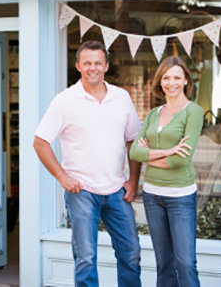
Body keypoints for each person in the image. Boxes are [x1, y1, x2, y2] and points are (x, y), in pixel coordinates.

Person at [33, 41, 142, 287]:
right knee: (86, 259)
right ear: (78, 66)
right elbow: (40, 142)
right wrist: (63, 177)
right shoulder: (65, 100)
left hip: (116, 190)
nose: (93, 68)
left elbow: (133, 141)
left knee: (131, 254)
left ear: (106, 65)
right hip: (81, 191)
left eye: (97, 63)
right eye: (87, 63)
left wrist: (133, 180)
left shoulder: (121, 97)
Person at [130, 56, 203, 287]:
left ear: (185, 81)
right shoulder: (153, 113)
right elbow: (134, 152)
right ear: (160, 81)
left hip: (180, 197)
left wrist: (151, 157)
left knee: (186, 264)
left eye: (176, 77)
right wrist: (169, 151)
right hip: (152, 196)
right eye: (166, 77)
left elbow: (182, 160)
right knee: (164, 264)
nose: (171, 82)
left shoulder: (194, 111)